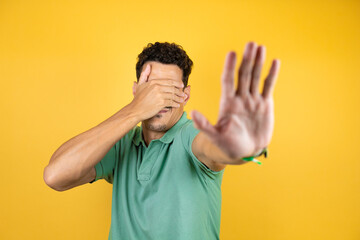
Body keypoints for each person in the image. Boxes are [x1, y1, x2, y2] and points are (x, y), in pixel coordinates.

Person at [43, 41, 280, 240]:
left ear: (185, 95)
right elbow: (55, 175)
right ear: (137, 91)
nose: (161, 100)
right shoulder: (122, 144)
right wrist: (134, 111)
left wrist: (243, 143)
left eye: (171, 90)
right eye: (153, 90)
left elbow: (217, 149)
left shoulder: (191, 137)